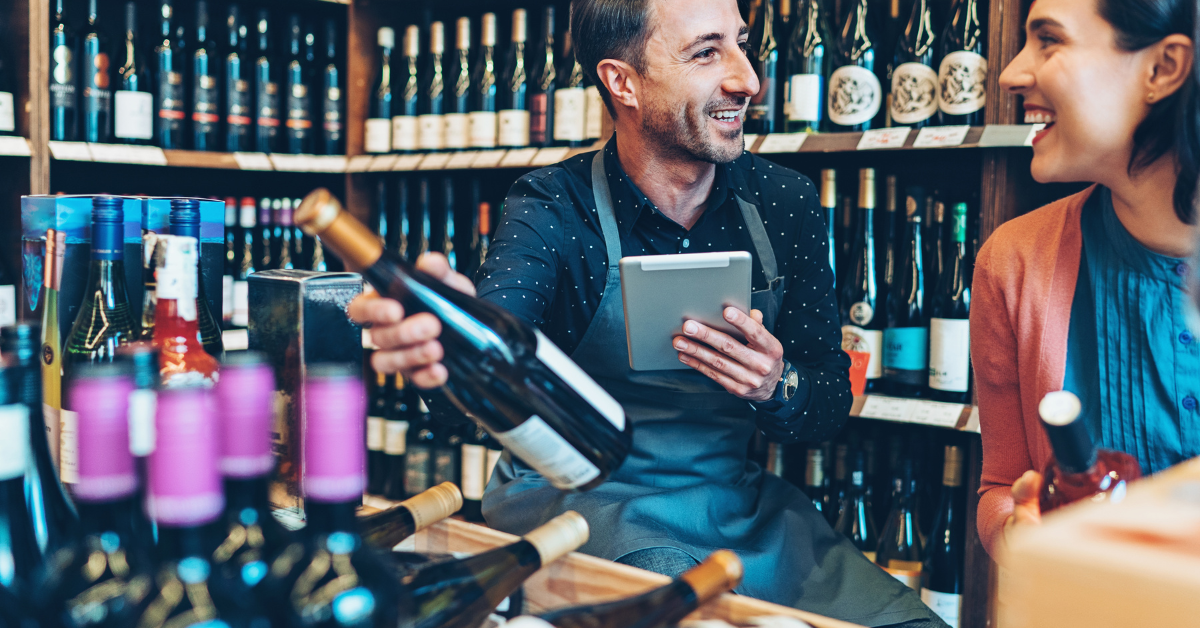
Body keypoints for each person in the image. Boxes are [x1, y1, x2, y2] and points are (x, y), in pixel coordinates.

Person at [350, 0, 945, 625]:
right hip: (580, 508)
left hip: (740, 510)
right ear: (622, 82)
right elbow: (478, 379)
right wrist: (450, 352)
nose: (747, 78)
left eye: (742, 44)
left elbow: (826, 402)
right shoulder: (552, 209)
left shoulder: (784, 203)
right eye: (706, 51)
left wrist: (777, 384)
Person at [973, 0, 1198, 557]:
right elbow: (1003, 486)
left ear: (1162, 69)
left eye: (1049, 40)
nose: (1010, 73)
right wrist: (1017, 532)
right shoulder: (1012, 262)